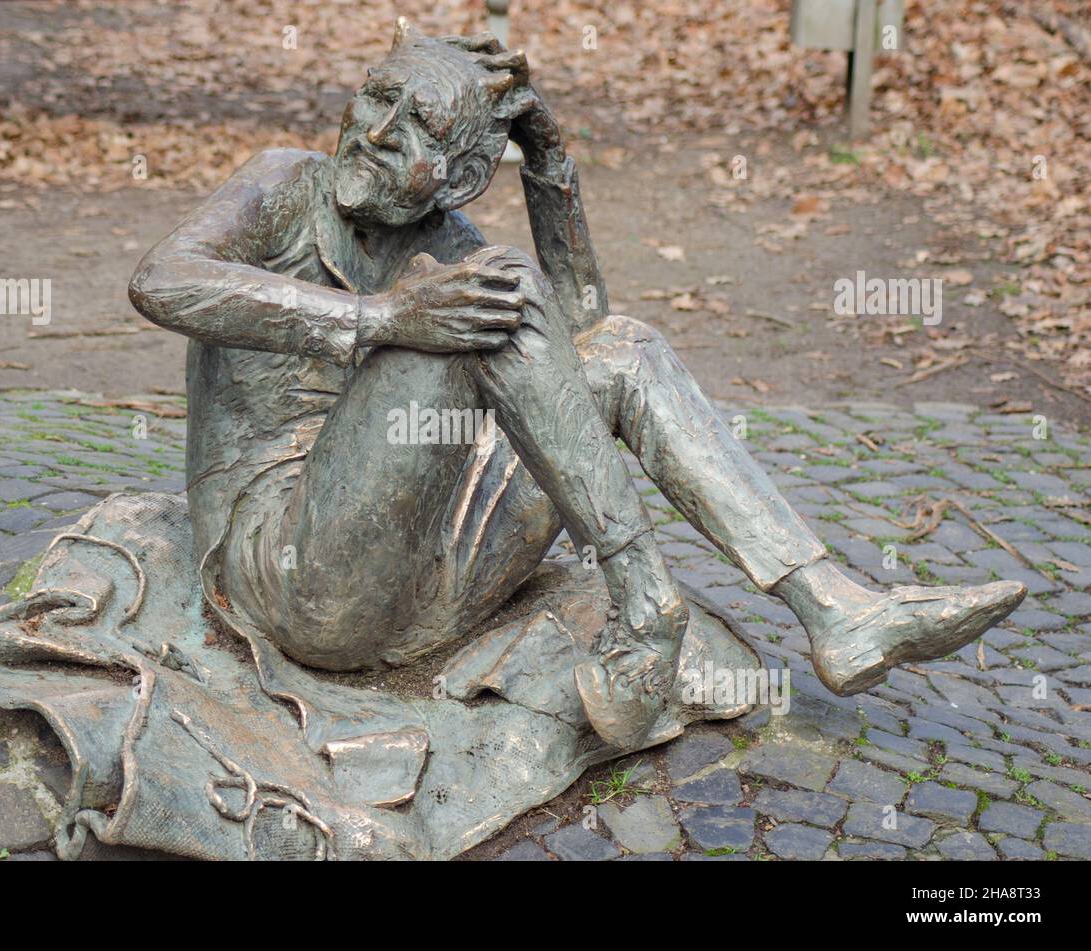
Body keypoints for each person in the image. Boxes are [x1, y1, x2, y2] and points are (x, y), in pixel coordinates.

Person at [128, 21, 1025, 750]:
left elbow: (582, 327)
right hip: (295, 577)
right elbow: (160, 279)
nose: (373, 130)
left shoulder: (454, 245)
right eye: (374, 96)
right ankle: (648, 600)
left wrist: (550, 160)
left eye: (416, 126)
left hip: (425, 575)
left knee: (623, 351)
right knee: (487, 299)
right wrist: (381, 320)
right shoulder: (287, 184)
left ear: (468, 176)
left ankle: (834, 607)